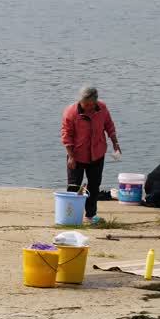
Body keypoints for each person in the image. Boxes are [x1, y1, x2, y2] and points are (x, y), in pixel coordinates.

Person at [59, 85, 120, 226]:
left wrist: (115, 143)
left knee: (94, 186)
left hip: (97, 154)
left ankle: (90, 216)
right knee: (74, 186)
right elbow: (66, 136)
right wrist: (71, 156)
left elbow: (109, 126)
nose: (87, 107)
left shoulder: (102, 108)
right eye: (84, 104)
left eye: (90, 104)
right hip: (76, 155)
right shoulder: (71, 112)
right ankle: (71, 217)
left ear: (95, 102)